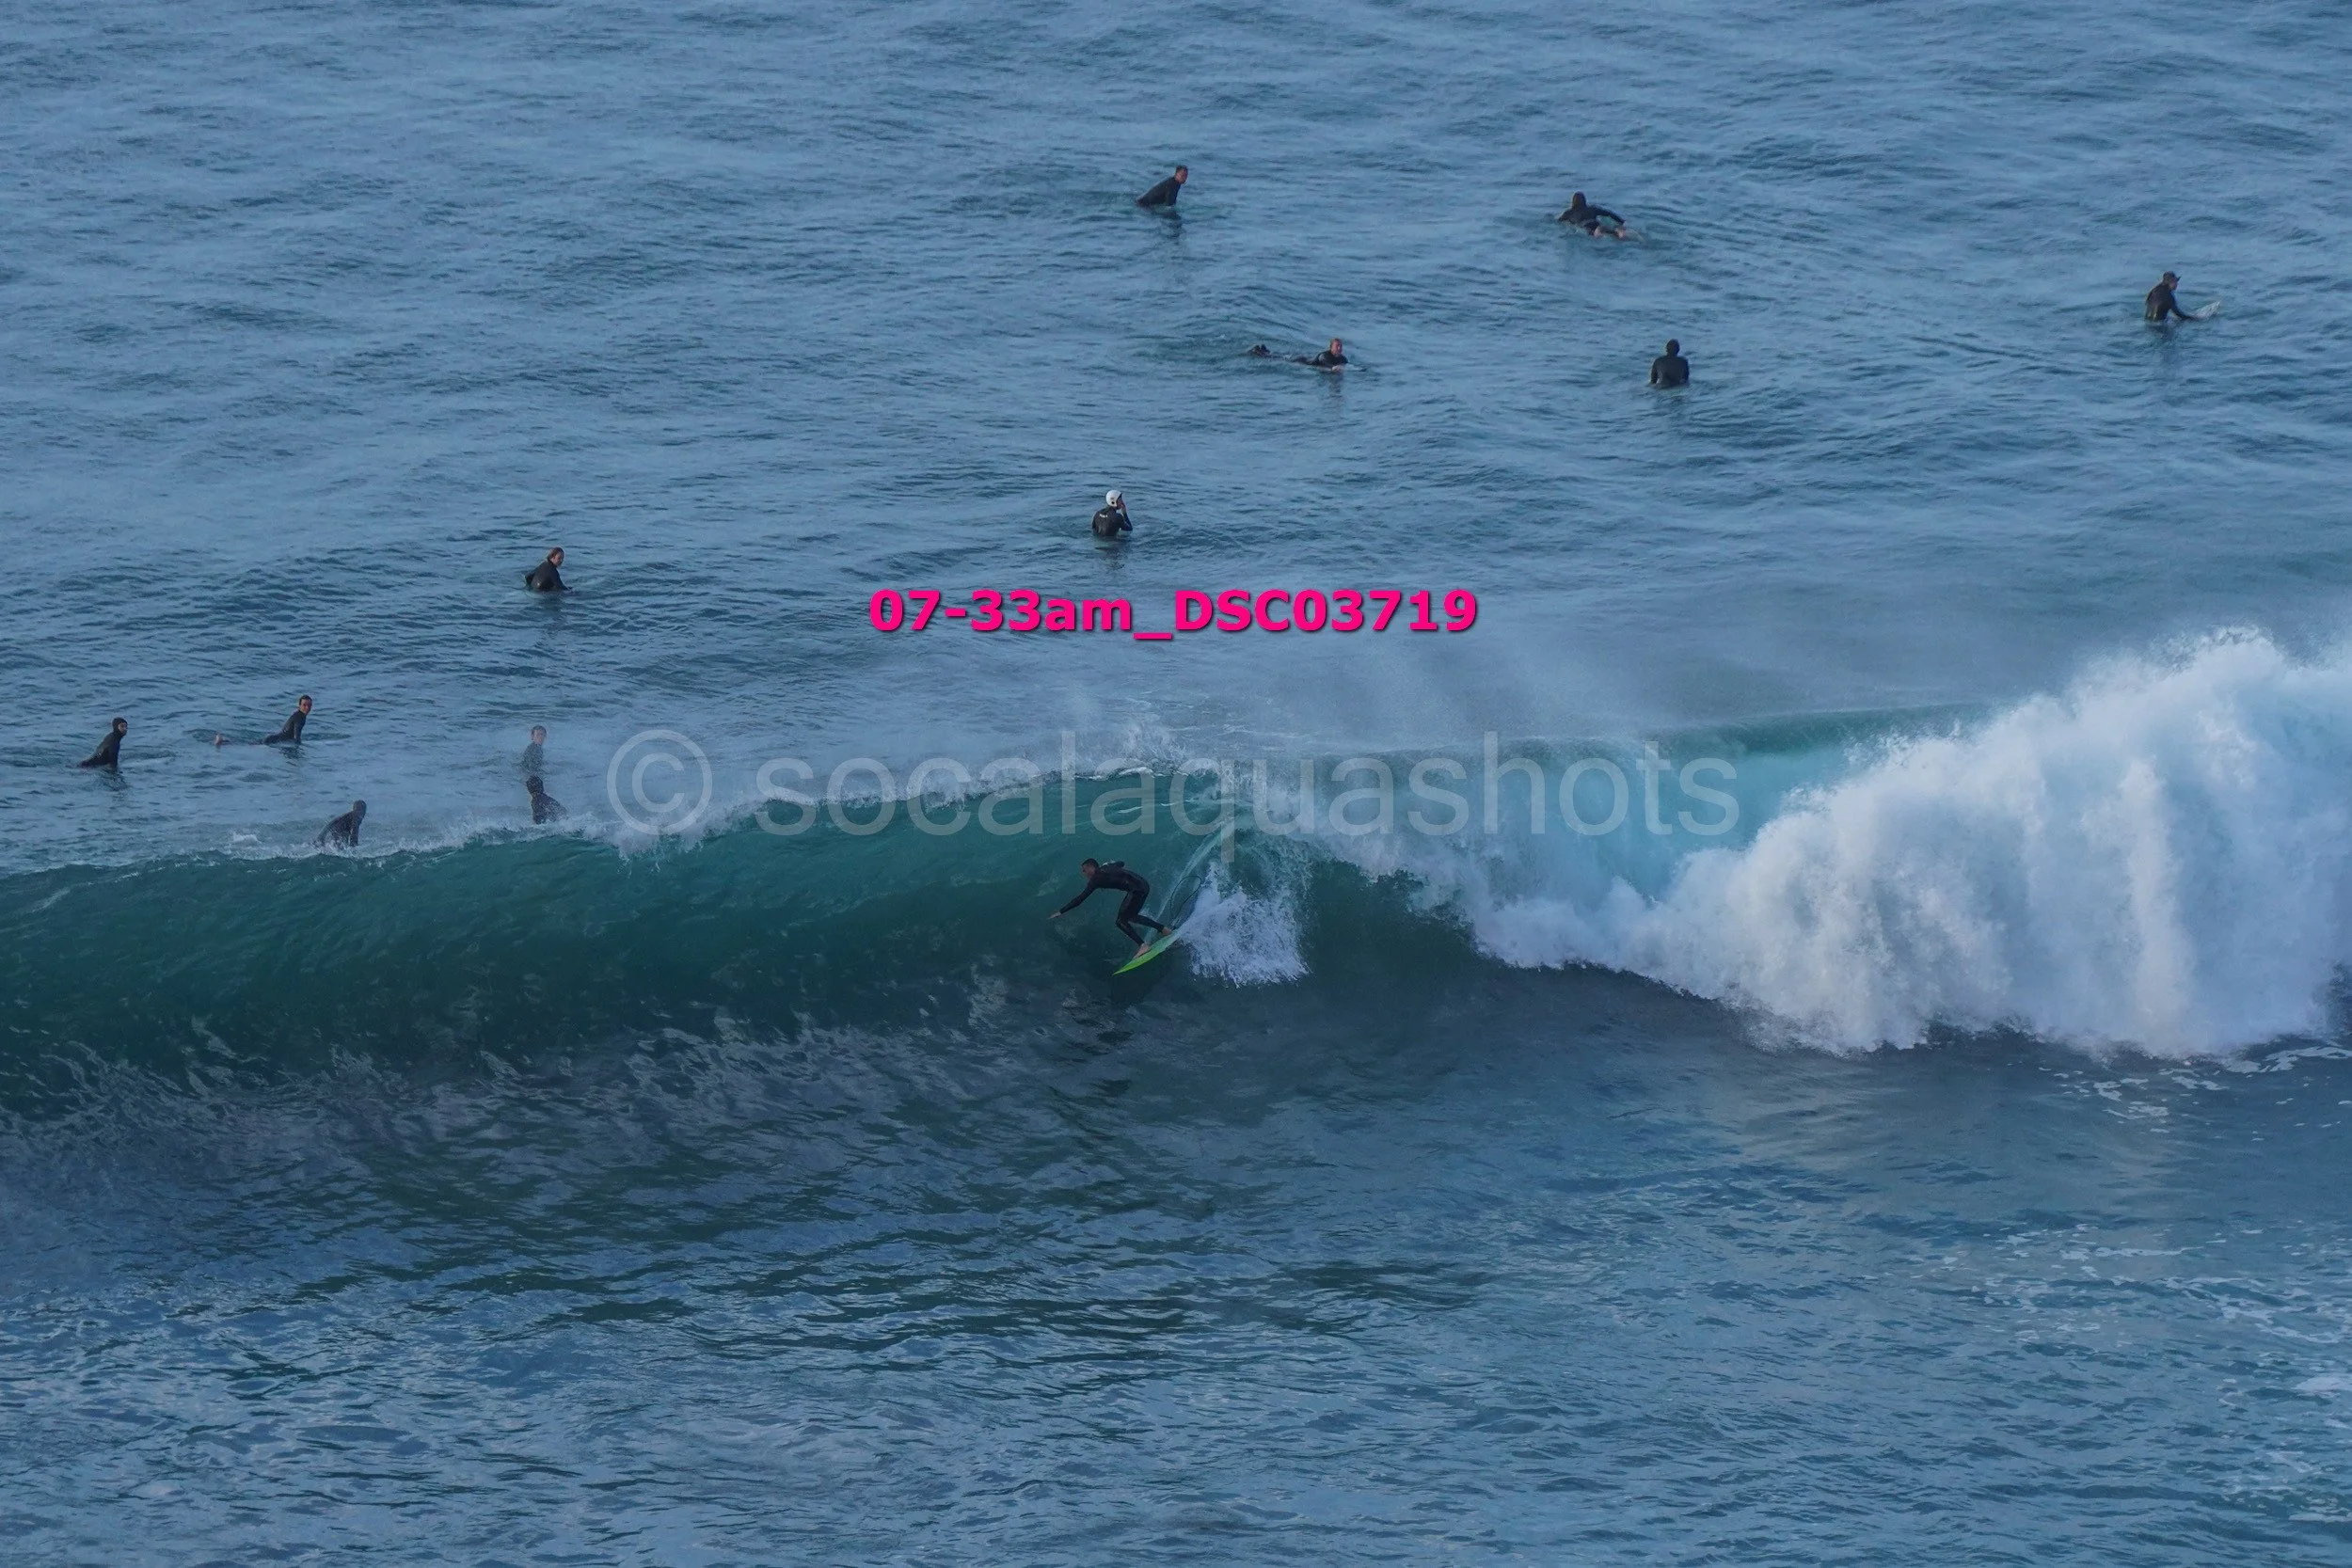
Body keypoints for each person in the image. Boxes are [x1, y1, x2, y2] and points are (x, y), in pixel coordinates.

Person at [1051, 857, 1171, 955]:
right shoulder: (1107, 867)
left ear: (1090, 867)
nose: (1084, 874)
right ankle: (1164, 929)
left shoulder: (1096, 879)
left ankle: (1143, 946)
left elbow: (1080, 899)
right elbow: (1121, 863)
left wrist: (1061, 911)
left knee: (1120, 921)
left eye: (1084, 870)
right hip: (1144, 885)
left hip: (1136, 890)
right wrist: (1112, 864)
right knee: (1131, 917)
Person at [218, 694, 312, 748]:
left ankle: (223, 742)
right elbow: (297, 737)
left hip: (273, 738)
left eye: (309, 705)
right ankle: (223, 742)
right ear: (299, 706)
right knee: (248, 745)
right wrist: (300, 747)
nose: (307, 708)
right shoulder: (300, 717)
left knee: (248, 743)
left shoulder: (297, 715)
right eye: (304, 705)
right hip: (274, 741)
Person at [521, 726, 565, 823]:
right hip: (531, 781)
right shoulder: (534, 749)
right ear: (532, 736)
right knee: (539, 802)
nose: (540, 737)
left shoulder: (536, 748)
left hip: (531, 780)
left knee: (538, 804)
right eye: (538, 735)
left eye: (542, 735)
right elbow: (531, 767)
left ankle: (538, 822)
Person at [1557, 192, 1627, 238]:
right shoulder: (1592, 209)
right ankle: (1617, 232)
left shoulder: (1569, 213)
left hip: (1585, 226)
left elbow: (1559, 221)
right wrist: (1621, 221)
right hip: (1596, 223)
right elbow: (1608, 213)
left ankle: (1598, 231)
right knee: (1611, 232)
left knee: (1594, 234)